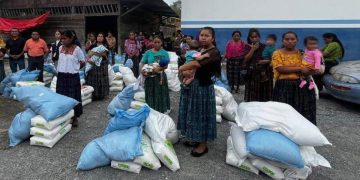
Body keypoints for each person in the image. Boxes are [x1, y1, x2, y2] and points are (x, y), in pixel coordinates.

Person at [178, 27, 221, 157]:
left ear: (212, 38)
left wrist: (181, 67)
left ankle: (203, 145)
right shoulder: (202, 50)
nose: (203, 37)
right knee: (194, 113)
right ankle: (195, 138)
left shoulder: (214, 52)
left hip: (204, 87)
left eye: (206, 35)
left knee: (202, 114)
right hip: (196, 85)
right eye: (201, 35)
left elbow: (196, 64)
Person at [272, 31, 317, 125]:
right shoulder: (277, 53)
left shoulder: (302, 53)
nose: (290, 41)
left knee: (302, 111)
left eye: (292, 39)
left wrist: (312, 68)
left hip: (301, 86)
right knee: (284, 111)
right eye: (287, 39)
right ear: (283, 41)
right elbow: (280, 69)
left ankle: (303, 133)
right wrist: (300, 68)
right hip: (284, 87)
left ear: (297, 40)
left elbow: (309, 67)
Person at [56, 30, 85, 127]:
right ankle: (63, 117)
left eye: (65, 38)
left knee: (73, 97)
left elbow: (82, 61)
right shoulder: (60, 48)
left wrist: (74, 68)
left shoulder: (77, 50)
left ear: (71, 38)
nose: (62, 40)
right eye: (61, 39)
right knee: (61, 97)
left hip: (72, 77)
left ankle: (74, 117)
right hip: (61, 76)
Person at [140, 36, 171, 113]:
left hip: (160, 77)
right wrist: (142, 71)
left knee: (160, 93)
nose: (156, 44)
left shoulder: (164, 53)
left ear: (161, 43)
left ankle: (161, 110)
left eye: (158, 42)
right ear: (152, 42)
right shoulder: (148, 52)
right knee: (150, 93)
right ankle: (151, 110)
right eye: (155, 42)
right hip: (149, 76)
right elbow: (142, 63)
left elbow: (166, 66)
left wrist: (158, 69)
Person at [243, 28, 272, 102]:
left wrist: (265, 61)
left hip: (264, 73)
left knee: (263, 92)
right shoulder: (247, 47)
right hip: (252, 73)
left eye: (256, 37)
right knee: (252, 93)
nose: (254, 38)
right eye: (252, 37)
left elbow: (271, 59)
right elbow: (246, 59)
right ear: (249, 38)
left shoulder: (265, 46)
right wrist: (252, 49)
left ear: (259, 37)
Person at [86, 32, 109, 100]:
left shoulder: (105, 46)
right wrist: (98, 53)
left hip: (102, 65)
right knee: (93, 80)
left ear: (103, 38)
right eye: (98, 36)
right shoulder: (93, 45)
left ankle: (102, 95)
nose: (99, 37)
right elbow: (89, 54)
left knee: (102, 80)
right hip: (93, 64)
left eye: (101, 36)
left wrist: (94, 53)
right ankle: (94, 95)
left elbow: (104, 55)